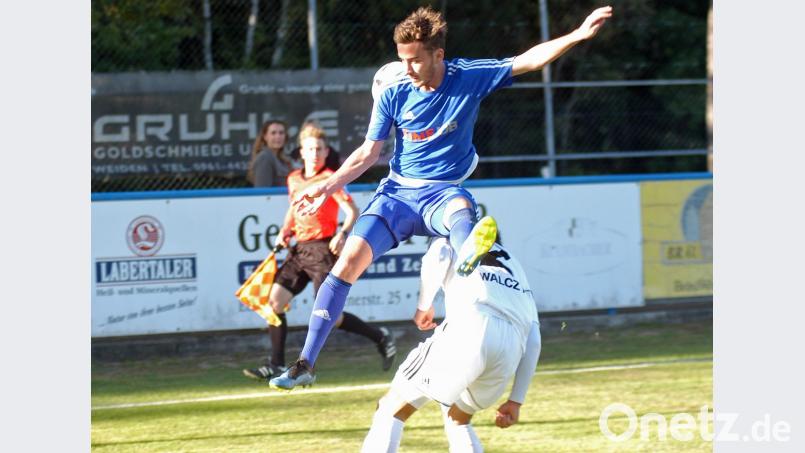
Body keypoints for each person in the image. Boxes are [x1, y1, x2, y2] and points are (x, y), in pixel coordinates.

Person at [270, 5, 612, 390]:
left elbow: (529, 61)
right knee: (346, 263)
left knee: (460, 209)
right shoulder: (394, 91)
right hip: (398, 195)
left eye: (415, 60)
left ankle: (467, 260)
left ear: (438, 55)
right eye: (402, 60)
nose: (407, 68)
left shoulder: (468, 77)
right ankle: (305, 364)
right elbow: (367, 154)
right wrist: (325, 187)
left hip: (443, 191)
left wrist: (578, 34)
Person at [244, 123, 397, 383]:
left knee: (329, 316)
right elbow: (294, 208)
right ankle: (275, 364)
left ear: (326, 152)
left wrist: (343, 233)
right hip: (299, 250)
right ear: (302, 152)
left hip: (323, 250)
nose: (315, 153)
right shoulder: (294, 178)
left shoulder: (331, 179)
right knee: (274, 303)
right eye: (310, 149)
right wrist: (285, 231)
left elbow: (352, 211)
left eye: (319, 149)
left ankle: (380, 336)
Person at [361, 235, 541, 452]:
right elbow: (534, 339)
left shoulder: (452, 235)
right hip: (510, 346)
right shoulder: (514, 264)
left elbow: (439, 255)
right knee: (457, 418)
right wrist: (516, 401)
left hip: (471, 327)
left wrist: (423, 305)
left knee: (390, 409)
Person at [247, 120, 292, 187]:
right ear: (265, 137)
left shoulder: (282, 159)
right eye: (273, 133)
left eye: (281, 133)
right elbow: (262, 190)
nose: (278, 136)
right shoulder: (265, 157)